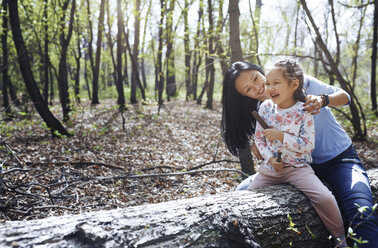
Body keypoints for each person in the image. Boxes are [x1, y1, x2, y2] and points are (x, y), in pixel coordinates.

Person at [221, 60, 378, 247]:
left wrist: (323, 100)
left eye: (256, 78)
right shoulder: (262, 108)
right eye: (248, 89)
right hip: (297, 166)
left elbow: (345, 97)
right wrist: (264, 151)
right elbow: (263, 143)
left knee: (362, 211)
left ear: (261, 71)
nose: (259, 87)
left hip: (339, 159)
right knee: (240, 194)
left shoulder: (301, 83)